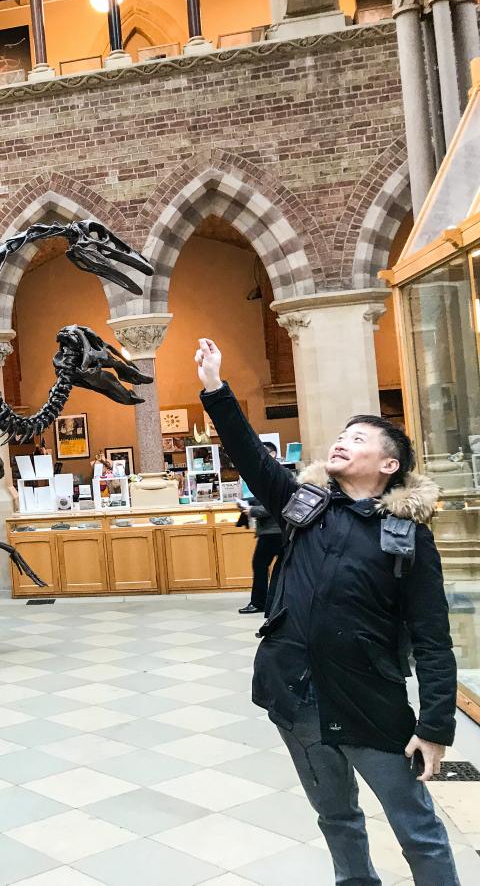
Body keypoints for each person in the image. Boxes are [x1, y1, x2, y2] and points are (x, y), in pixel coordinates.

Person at [195, 337, 459, 885]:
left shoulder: (407, 537)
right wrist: (216, 388)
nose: (342, 441)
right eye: (342, 435)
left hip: (370, 703)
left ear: (388, 464)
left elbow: (433, 639)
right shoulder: (303, 507)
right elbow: (251, 455)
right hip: (296, 697)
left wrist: (434, 726)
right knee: (336, 817)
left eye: (358, 438)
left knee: (418, 829)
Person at [237, 441, 283, 615]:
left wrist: (252, 510)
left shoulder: (275, 476)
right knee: (275, 566)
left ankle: (259, 602)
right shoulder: (271, 475)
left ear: (272, 455)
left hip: (274, 531)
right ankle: (272, 602)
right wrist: (247, 503)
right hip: (275, 530)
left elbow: (275, 504)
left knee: (260, 564)